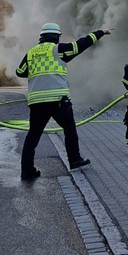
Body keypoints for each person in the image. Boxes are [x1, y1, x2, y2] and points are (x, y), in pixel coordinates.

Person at [16, 21, 110, 180]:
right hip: (57, 100)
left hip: (37, 102)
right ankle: (74, 159)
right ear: (56, 36)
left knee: (33, 135)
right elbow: (81, 44)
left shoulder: (31, 53)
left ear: (41, 37)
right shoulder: (58, 49)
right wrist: (100, 32)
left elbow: (20, 72)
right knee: (69, 129)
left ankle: (27, 171)